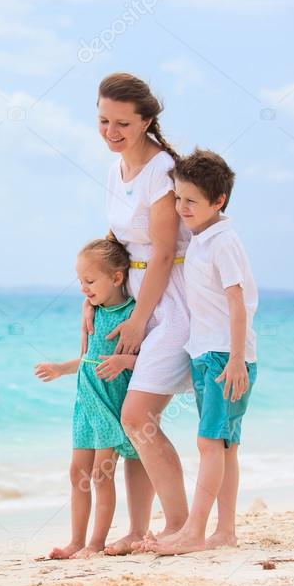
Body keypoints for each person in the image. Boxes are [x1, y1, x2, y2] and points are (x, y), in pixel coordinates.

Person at [88, 73, 193, 554]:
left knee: (138, 416)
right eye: (104, 119)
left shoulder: (163, 168)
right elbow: (117, 245)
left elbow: (166, 251)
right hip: (132, 297)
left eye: (123, 123)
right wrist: (93, 301)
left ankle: (179, 526)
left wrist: (138, 320)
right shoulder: (116, 171)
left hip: (170, 302)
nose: (111, 130)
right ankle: (137, 530)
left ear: (147, 120)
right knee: (134, 423)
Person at [150, 149, 258, 555]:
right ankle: (224, 532)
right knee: (224, 445)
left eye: (191, 201)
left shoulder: (222, 242)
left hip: (222, 357)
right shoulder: (201, 238)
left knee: (209, 443)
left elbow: (238, 301)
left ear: (218, 201)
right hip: (209, 353)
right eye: (177, 199)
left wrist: (234, 359)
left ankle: (195, 531)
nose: (181, 208)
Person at [35, 238, 140, 559]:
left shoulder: (132, 314)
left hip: (110, 403)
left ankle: (95, 543)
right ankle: (76, 541)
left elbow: (151, 361)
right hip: (85, 403)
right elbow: (89, 359)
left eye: (90, 281)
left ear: (117, 278)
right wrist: (61, 369)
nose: (83, 288)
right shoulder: (92, 312)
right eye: (80, 281)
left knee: (101, 474)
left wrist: (124, 362)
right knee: (77, 473)